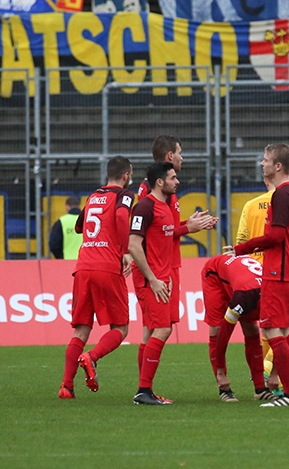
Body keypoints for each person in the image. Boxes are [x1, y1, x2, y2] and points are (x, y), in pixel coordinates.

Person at [134, 135, 216, 397]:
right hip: (156, 268)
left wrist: (189, 225)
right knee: (157, 328)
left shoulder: (166, 192)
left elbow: (166, 229)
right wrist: (188, 228)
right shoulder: (150, 196)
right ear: (170, 156)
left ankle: (145, 388)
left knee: (155, 328)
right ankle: (143, 389)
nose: (182, 157)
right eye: (180, 152)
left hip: (167, 265)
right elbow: (143, 234)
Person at [226, 143, 289, 407]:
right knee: (284, 332)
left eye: (266, 159)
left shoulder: (281, 195)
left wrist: (242, 248)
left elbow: (276, 236)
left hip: (278, 270)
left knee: (273, 330)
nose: (262, 163)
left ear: (278, 166)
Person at [59, 156, 134, 399]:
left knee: (81, 330)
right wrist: (125, 251)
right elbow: (121, 217)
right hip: (107, 266)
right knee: (120, 328)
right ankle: (91, 357)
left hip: (83, 267)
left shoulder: (93, 196)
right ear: (126, 175)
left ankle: (66, 386)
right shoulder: (124, 195)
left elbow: (79, 226)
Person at [129, 162, 179, 405]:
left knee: (150, 331)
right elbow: (133, 244)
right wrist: (153, 279)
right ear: (160, 182)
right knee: (163, 329)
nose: (176, 182)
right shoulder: (144, 207)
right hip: (150, 280)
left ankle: (145, 389)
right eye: (172, 178)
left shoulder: (164, 206)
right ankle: (143, 390)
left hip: (161, 278)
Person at [235, 179, 282, 397]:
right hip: (280, 270)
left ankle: (265, 383)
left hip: (254, 272)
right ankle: (270, 373)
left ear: (265, 180)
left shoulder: (251, 205)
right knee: (288, 327)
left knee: (266, 328)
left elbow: (241, 240)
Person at [201, 253, 268, 402]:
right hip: (215, 275)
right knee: (217, 330)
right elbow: (224, 336)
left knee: (252, 329)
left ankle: (260, 389)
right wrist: (220, 371)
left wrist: (275, 374)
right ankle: (223, 388)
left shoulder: (276, 296)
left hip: (243, 283)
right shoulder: (243, 298)